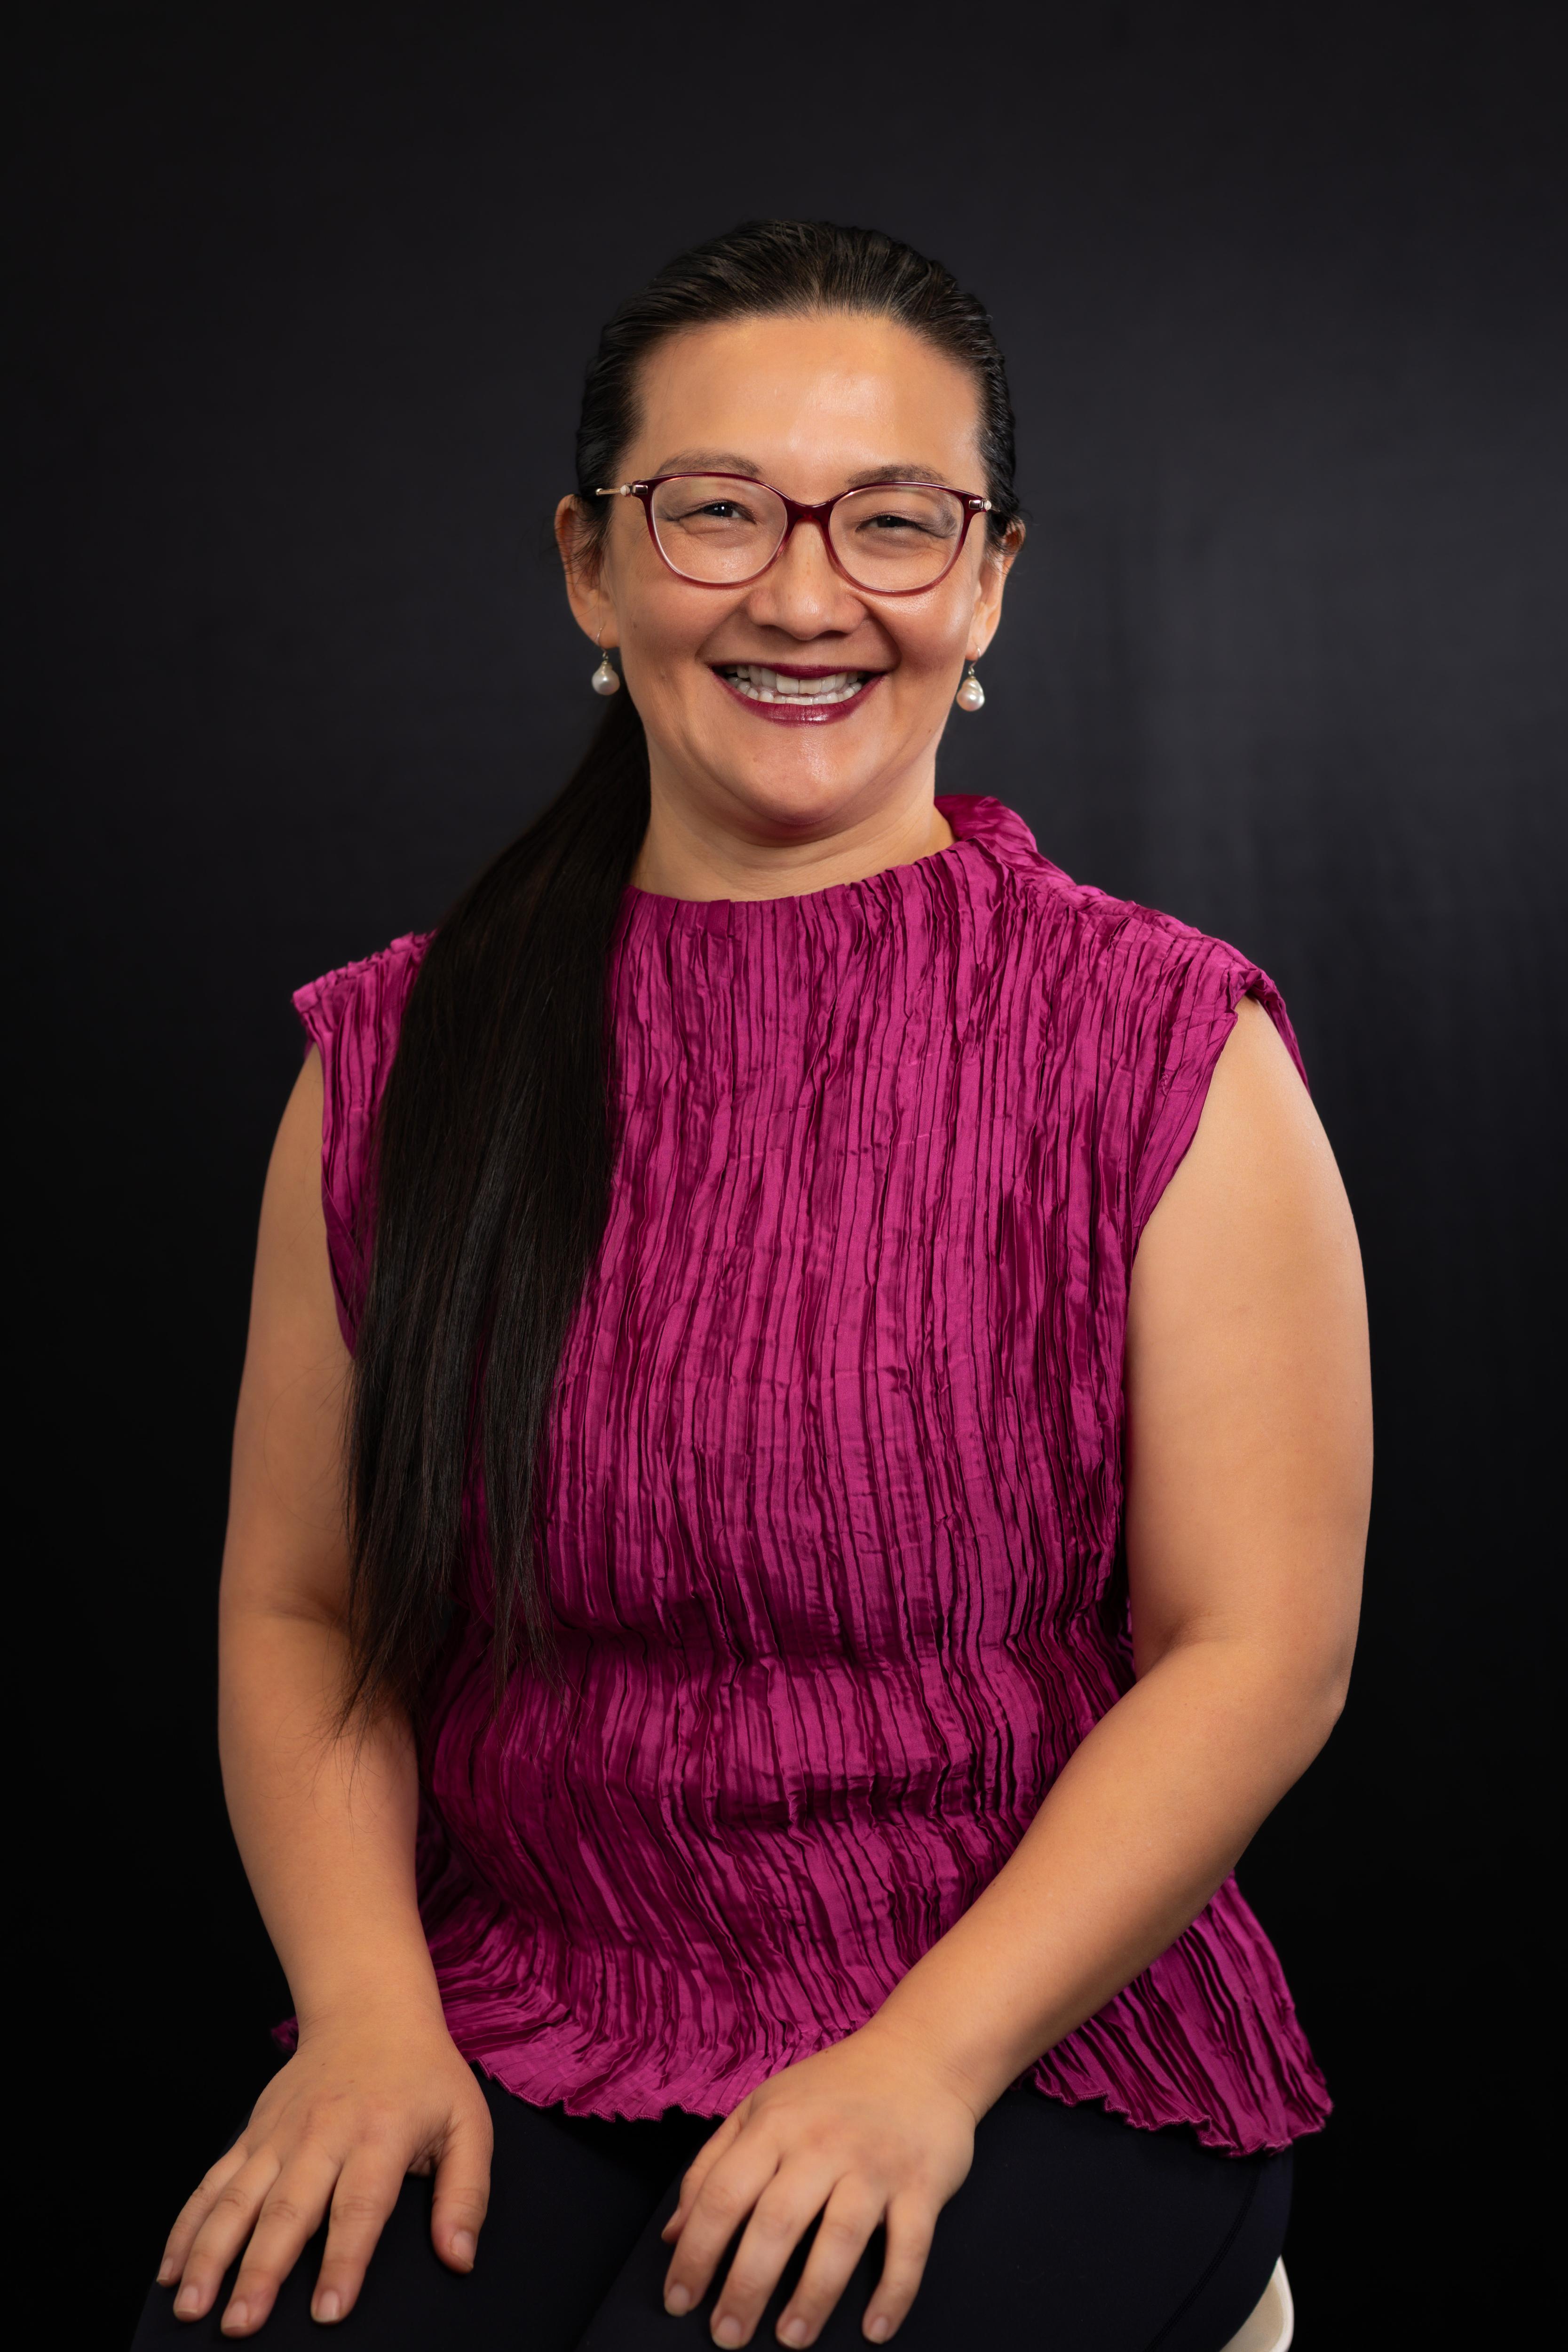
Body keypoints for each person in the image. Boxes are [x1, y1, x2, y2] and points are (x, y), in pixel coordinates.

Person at [134, 220, 1370, 2351]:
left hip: (1040, 2036)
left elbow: (1256, 1647)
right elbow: (301, 1605)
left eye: (897, 523)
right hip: (532, 1996)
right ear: (590, 564)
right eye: (717, 509)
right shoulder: (401, 1058)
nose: (806, 595)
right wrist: (360, 2016)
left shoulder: (1162, 1038)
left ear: (986, 582)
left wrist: (923, 2065)